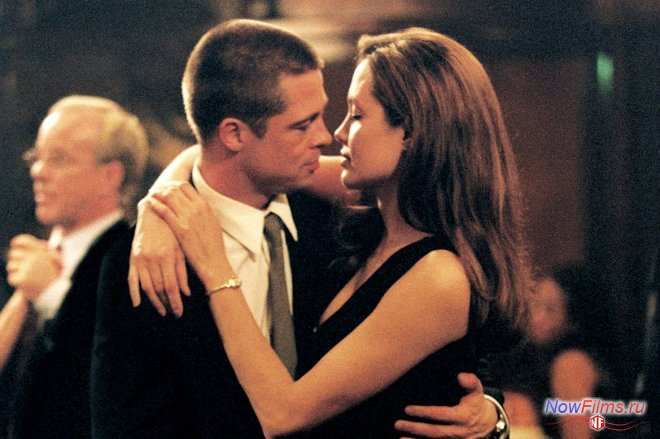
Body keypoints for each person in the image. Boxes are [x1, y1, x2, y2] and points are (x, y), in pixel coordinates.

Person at [92, 20, 511, 439]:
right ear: (234, 133)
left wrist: (493, 415)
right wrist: (160, 200)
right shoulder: (361, 221)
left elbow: (462, 357)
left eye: (355, 115)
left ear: (412, 135)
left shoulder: (333, 225)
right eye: (303, 124)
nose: (332, 134)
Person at [0, 95, 148, 438]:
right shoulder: (21, 262)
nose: (38, 171)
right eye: (37, 157)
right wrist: (25, 296)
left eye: (59, 159)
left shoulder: (137, 260)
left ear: (110, 175)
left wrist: (51, 295)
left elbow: (116, 380)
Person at [501, 264, 613, 438]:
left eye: (550, 310)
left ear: (573, 319)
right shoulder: (530, 354)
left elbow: (578, 436)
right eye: (535, 304)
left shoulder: (571, 363)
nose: (537, 317)